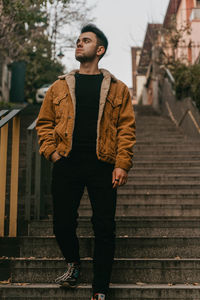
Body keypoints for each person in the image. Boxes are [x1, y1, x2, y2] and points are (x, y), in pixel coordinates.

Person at [36, 24, 136, 300]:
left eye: (86, 41)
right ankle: (74, 263)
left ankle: (100, 289)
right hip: (67, 162)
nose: (79, 44)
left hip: (103, 165)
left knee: (104, 227)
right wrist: (52, 152)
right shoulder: (59, 86)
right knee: (62, 223)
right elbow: (44, 124)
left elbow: (126, 128)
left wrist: (122, 163)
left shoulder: (118, 89)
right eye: (78, 40)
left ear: (100, 50)